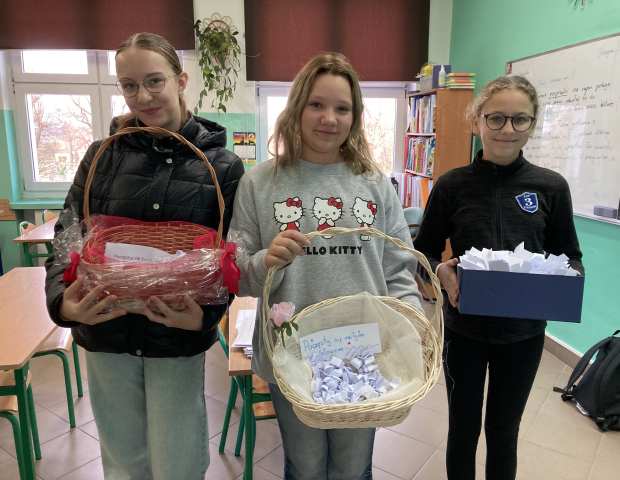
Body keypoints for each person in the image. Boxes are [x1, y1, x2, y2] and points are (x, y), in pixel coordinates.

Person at [44, 32, 245, 480]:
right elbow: (67, 234)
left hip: (175, 335)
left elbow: (230, 258)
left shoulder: (222, 167)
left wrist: (206, 316)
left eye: (154, 81)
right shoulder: (100, 157)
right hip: (106, 328)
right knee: (122, 460)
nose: (143, 96)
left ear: (181, 80)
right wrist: (62, 302)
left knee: (178, 459)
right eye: (129, 85)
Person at [229, 53, 423, 480]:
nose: (329, 119)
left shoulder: (375, 183)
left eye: (342, 108)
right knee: (305, 466)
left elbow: (399, 269)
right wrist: (266, 261)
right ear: (296, 107)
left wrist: (413, 327)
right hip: (292, 355)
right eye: (316, 104)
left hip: (363, 352)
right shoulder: (258, 183)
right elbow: (237, 274)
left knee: (353, 467)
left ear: (355, 117)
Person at [413, 75, 584, 480]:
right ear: (476, 122)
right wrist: (440, 271)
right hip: (463, 331)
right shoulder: (451, 185)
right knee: (463, 431)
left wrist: (564, 282)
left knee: (504, 432)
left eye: (520, 119)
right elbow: (424, 252)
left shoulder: (550, 187)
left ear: (533, 125)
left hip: (523, 336)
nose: (508, 129)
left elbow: (571, 257)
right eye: (496, 118)